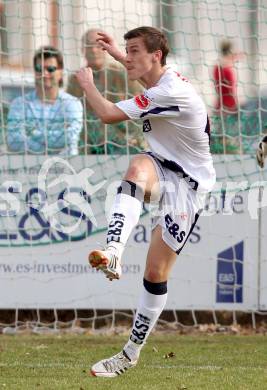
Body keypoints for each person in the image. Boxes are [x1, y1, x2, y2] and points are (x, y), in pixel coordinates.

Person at [76, 26, 216, 377]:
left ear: (156, 55)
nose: (130, 56)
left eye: (135, 50)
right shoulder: (161, 81)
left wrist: (88, 85)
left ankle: (129, 354)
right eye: (128, 50)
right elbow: (147, 81)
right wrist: (118, 55)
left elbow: (108, 115)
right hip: (161, 167)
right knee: (138, 165)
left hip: (188, 187)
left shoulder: (172, 91)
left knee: (156, 273)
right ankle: (113, 254)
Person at [67, 28, 145, 154]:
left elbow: (141, 108)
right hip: (88, 146)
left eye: (98, 46)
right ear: (82, 50)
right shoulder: (75, 79)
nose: (93, 50)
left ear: (106, 48)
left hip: (122, 145)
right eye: (88, 46)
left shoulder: (123, 74)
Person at [7, 46, 83, 155]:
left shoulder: (72, 103)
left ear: (61, 72)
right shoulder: (19, 104)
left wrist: (33, 133)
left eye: (50, 69)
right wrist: (54, 139)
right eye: (39, 69)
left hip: (65, 167)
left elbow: (71, 137)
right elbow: (13, 142)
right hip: (29, 169)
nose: (44, 74)